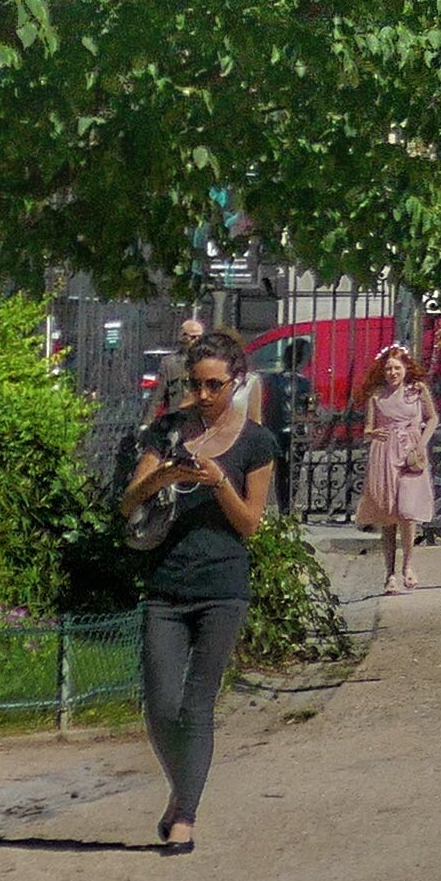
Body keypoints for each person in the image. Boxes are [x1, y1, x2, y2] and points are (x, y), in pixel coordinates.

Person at [115, 343, 277, 853]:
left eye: (215, 385)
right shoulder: (167, 431)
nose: (204, 395)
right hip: (167, 584)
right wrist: (164, 473)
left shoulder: (256, 441)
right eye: (197, 384)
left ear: (237, 382)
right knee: (161, 704)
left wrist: (218, 482)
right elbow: (128, 502)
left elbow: (250, 524)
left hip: (222, 588)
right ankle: (180, 793)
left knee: (197, 704)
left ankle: (184, 814)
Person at [360, 342, 439, 596]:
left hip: (410, 453)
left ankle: (408, 565)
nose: (392, 373)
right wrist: (373, 432)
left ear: (406, 368)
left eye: (396, 368)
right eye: (388, 369)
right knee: (388, 515)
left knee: (408, 511)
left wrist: (421, 443)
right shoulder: (377, 396)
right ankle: (389, 573)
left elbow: (433, 418)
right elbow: (367, 430)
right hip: (384, 453)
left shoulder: (417, 391)